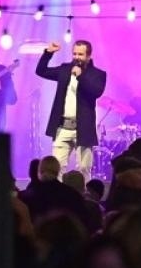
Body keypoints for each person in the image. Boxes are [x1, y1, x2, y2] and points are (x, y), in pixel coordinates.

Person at [37, 40, 107, 174]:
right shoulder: (65, 70)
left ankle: (84, 194)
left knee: (83, 168)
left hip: (83, 128)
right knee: (56, 169)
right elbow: (41, 71)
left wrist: (81, 77)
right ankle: (58, 194)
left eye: (80, 54)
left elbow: (96, 92)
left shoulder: (98, 74)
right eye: (74, 54)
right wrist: (48, 53)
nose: (76, 57)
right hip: (62, 128)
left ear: (88, 56)